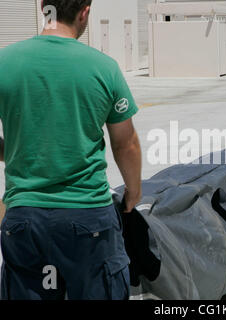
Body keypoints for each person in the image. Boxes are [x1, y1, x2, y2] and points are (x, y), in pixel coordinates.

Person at [0, 0, 142, 300]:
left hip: (24, 218)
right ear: (85, 11)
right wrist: (133, 191)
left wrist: (15, 148)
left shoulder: (4, 62)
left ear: (43, 7)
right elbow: (125, 143)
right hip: (88, 216)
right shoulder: (104, 67)